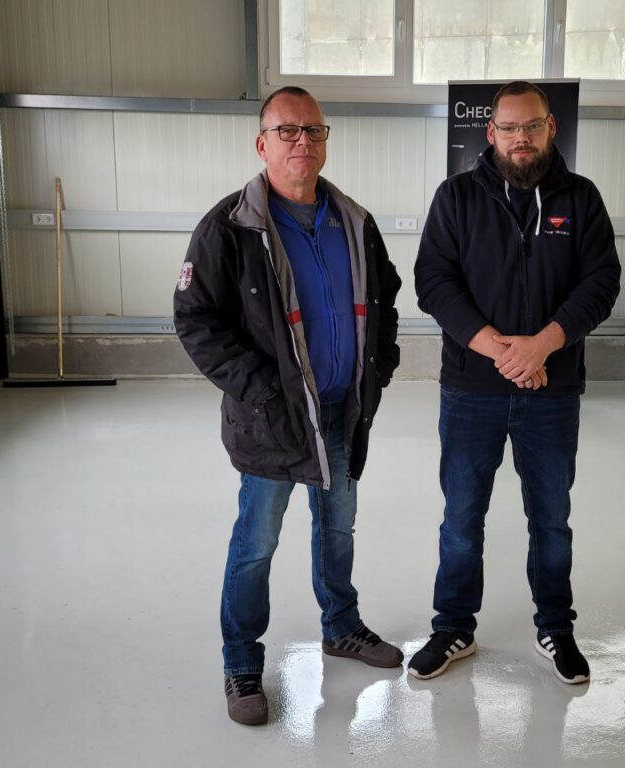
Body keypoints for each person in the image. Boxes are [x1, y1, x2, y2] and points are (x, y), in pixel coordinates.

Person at [174, 86, 403, 726]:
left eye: (314, 130)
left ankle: (342, 627)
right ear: (262, 143)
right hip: (273, 420)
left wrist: (380, 366)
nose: (303, 141)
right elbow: (195, 320)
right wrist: (265, 392)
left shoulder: (354, 221)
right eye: (288, 130)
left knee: (338, 528)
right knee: (256, 543)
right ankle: (241, 663)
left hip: (341, 411)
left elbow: (384, 298)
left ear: (325, 140)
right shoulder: (229, 226)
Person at [410, 80, 621, 684]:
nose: (520, 138)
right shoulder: (456, 197)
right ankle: (453, 627)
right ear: (491, 132)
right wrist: (499, 349)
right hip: (471, 389)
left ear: (551, 127)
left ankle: (555, 627)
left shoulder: (581, 198)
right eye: (509, 128)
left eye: (531, 126)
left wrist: (543, 344)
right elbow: (434, 282)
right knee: (461, 519)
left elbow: (601, 282)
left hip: (551, 391)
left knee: (550, 520)